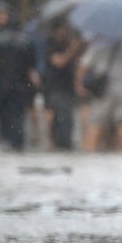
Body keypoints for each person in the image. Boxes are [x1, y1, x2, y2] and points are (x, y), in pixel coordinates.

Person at [0, 5, 40, 151]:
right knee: (17, 114)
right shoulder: (26, 42)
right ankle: (17, 142)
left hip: (0, 83)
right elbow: (31, 65)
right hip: (19, 84)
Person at [76, 37, 122, 151]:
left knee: (96, 122)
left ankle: (91, 153)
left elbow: (83, 66)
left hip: (103, 90)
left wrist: (80, 85)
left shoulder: (96, 47)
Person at [43, 20, 83, 150]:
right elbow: (59, 62)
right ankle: (61, 144)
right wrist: (73, 49)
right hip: (55, 88)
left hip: (68, 87)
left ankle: (65, 144)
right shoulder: (51, 45)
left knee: (67, 118)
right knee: (62, 118)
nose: (64, 32)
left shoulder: (68, 44)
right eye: (61, 29)